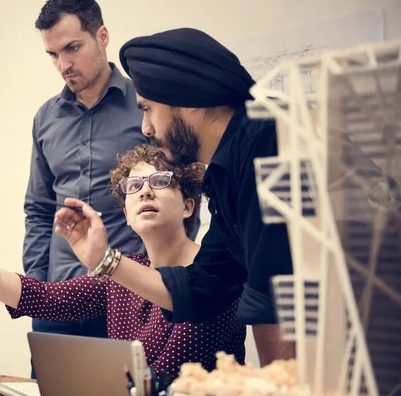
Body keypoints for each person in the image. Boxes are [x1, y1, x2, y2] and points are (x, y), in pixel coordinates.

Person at [54, 28, 296, 367]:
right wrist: (103, 258)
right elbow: (202, 288)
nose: (146, 128)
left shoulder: (267, 144)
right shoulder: (229, 173)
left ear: (191, 101)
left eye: (149, 109)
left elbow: (277, 300)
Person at [0, 144, 244, 380]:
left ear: (188, 205)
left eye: (159, 181)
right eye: (134, 185)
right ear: (126, 214)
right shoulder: (123, 273)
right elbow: (47, 299)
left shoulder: (215, 273)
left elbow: (169, 371)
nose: (145, 191)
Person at [23, 0, 149, 370]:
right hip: (58, 302)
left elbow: (179, 199)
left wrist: (159, 284)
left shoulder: (145, 107)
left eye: (72, 48)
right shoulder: (46, 118)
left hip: (128, 298)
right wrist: (37, 287)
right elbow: (39, 208)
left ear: (102, 36)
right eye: (53, 54)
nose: (63, 65)